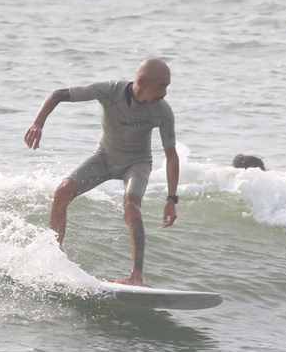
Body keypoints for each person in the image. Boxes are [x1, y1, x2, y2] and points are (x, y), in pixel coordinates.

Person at [23, 58, 179, 286]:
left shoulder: (162, 111)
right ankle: (54, 260)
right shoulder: (110, 91)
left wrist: (172, 199)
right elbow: (58, 94)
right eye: (162, 86)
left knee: (132, 205)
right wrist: (38, 123)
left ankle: (136, 276)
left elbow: (172, 156)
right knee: (62, 191)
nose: (165, 93)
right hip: (104, 158)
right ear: (143, 82)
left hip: (137, 164)